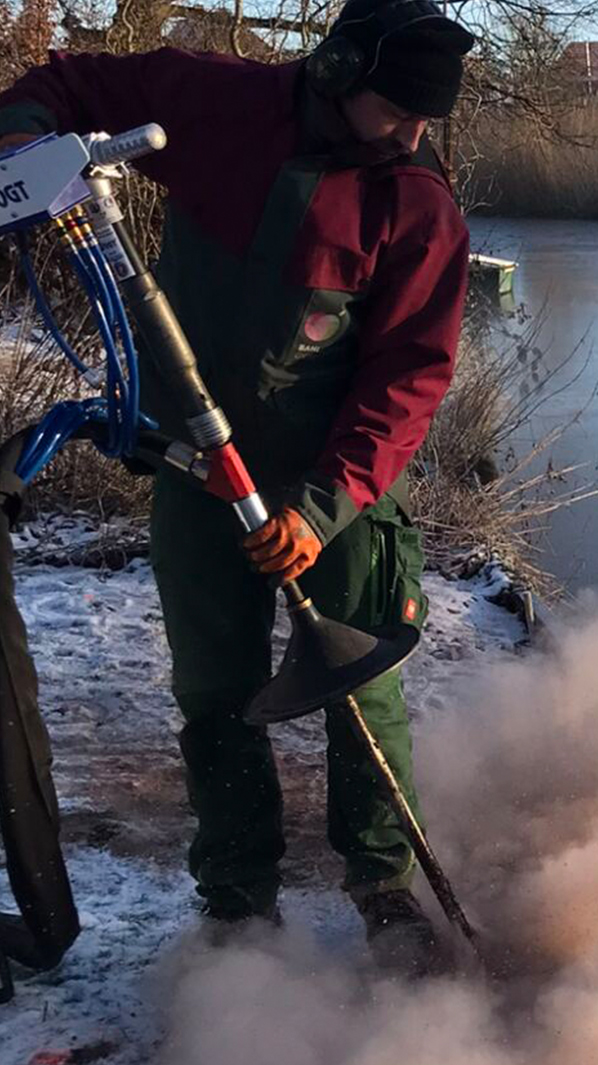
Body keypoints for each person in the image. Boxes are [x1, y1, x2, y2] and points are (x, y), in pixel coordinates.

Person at [0, 0, 473, 974]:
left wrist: (324, 505)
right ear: (340, 68)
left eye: (429, 119)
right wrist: (22, 135)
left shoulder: (416, 202)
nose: (414, 134)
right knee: (215, 693)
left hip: (338, 482)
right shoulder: (217, 104)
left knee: (360, 682)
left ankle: (383, 886)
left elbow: (409, 375)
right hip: (194, 469)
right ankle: (237, 904)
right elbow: (69, 84)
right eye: (399, 107)